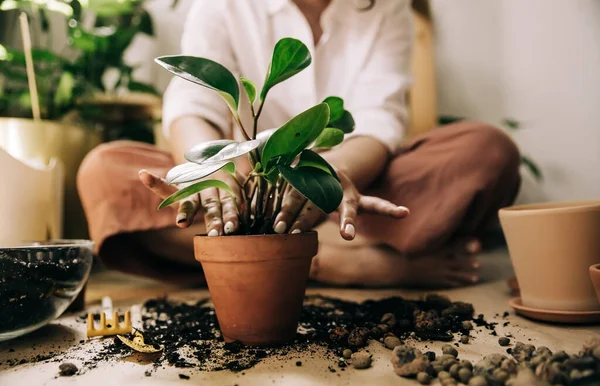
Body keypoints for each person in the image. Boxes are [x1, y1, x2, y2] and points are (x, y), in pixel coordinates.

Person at [77, 0, 521, 288]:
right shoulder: (222, 5)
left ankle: (248, 259)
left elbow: (378, 121)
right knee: (105, 172)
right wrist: (213, 171)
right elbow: (194, 103)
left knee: (486, 151)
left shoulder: (389, 10)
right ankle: (333, 262)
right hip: (247, 193)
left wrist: (323, 177)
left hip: (345, 192)